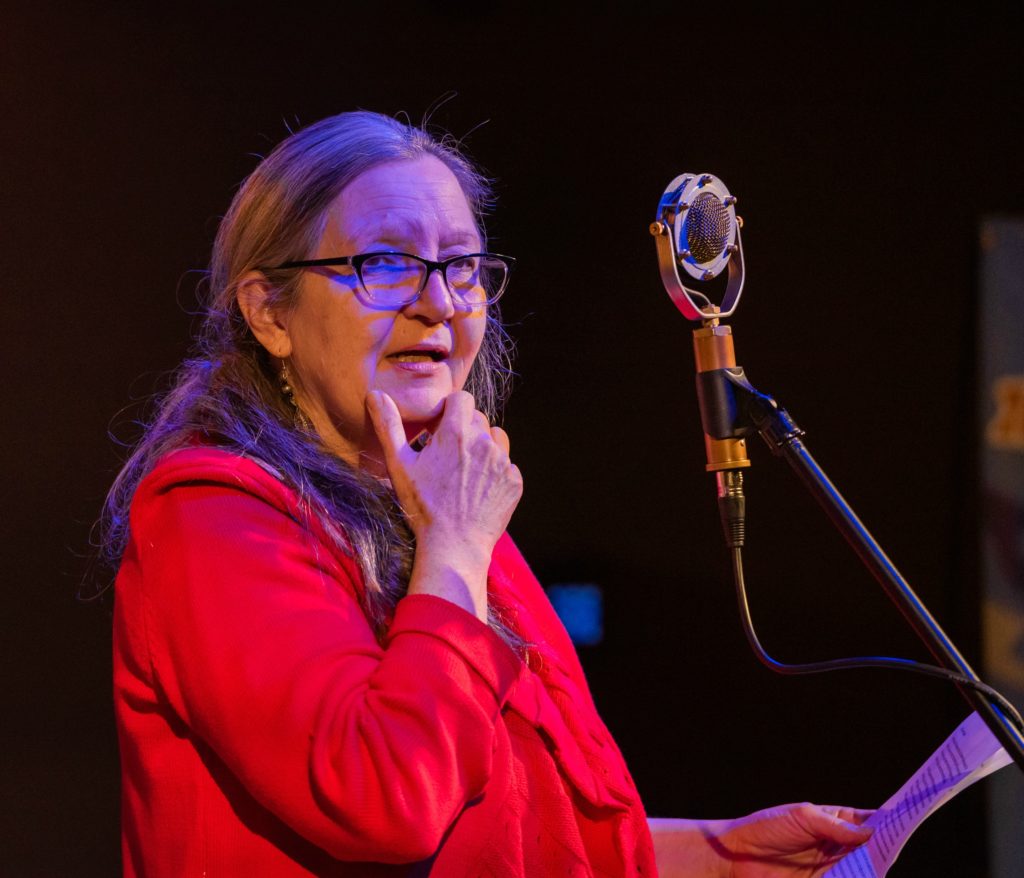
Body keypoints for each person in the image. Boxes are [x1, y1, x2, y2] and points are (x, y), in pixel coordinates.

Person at [102, 110, 872, 877]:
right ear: (270, 312)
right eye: (386, 262)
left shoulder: (440, 517)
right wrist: (457, 545)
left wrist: (720, 855)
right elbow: (391, 801)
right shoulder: (213, 515)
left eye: (461, 266)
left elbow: (520, 833)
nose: (437, 302)